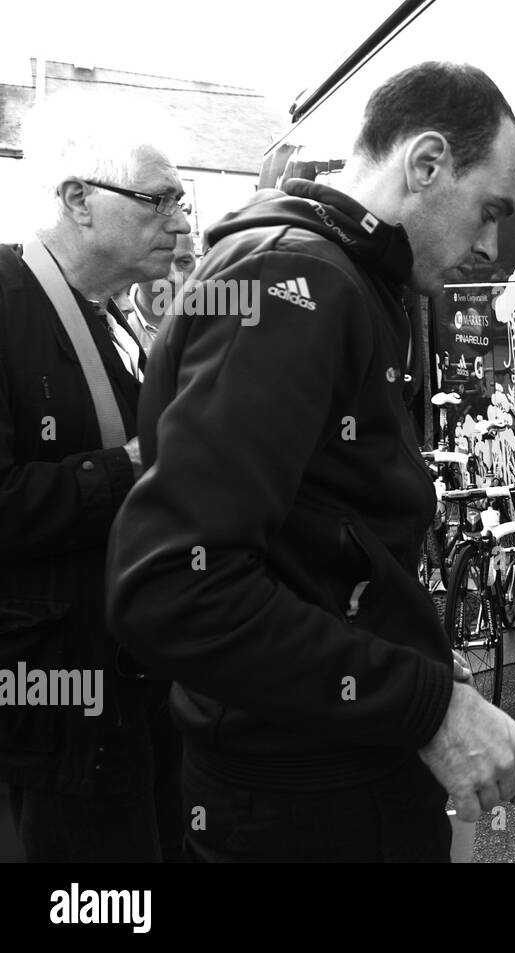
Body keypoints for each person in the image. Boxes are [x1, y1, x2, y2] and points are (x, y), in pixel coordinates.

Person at [105, 61, 515, 862]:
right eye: (490, 210)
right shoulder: (291, 279)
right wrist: (425, 706)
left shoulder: (344, 274)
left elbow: (321, 551)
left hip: (322, 778)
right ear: (427, 162)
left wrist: (422, 676)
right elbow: (173, 586)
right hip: (301, 807)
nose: (493, 244)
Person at [0, 101, 191, 861]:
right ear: (79, 200)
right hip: (57, 711)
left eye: (181, 200)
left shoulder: (116, 317)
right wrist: (133, 464)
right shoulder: (6, 301)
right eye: (158, 199)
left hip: (137, 685)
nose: (178, 220)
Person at [118, 233, 198, 356]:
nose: (175, 278)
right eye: (159, 263)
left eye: (184, 262)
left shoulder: (216, 319)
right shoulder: (116, 324)